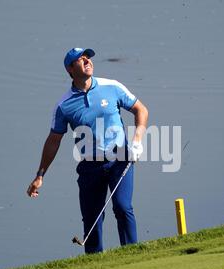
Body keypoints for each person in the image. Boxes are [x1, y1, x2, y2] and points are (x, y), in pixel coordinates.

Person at [27, 48, 149, 254]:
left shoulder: (112, 87)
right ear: (70, 69)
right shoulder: (64, 106)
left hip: (121, 158)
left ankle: (132, 256)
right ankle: (93, 264)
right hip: (90, 166)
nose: (87, 61)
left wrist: (137, 141)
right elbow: (53, 140)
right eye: (80, 59)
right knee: (92, 217)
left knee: (122, 207)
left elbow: (141, 110)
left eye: (88, 58)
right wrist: (40, 175)